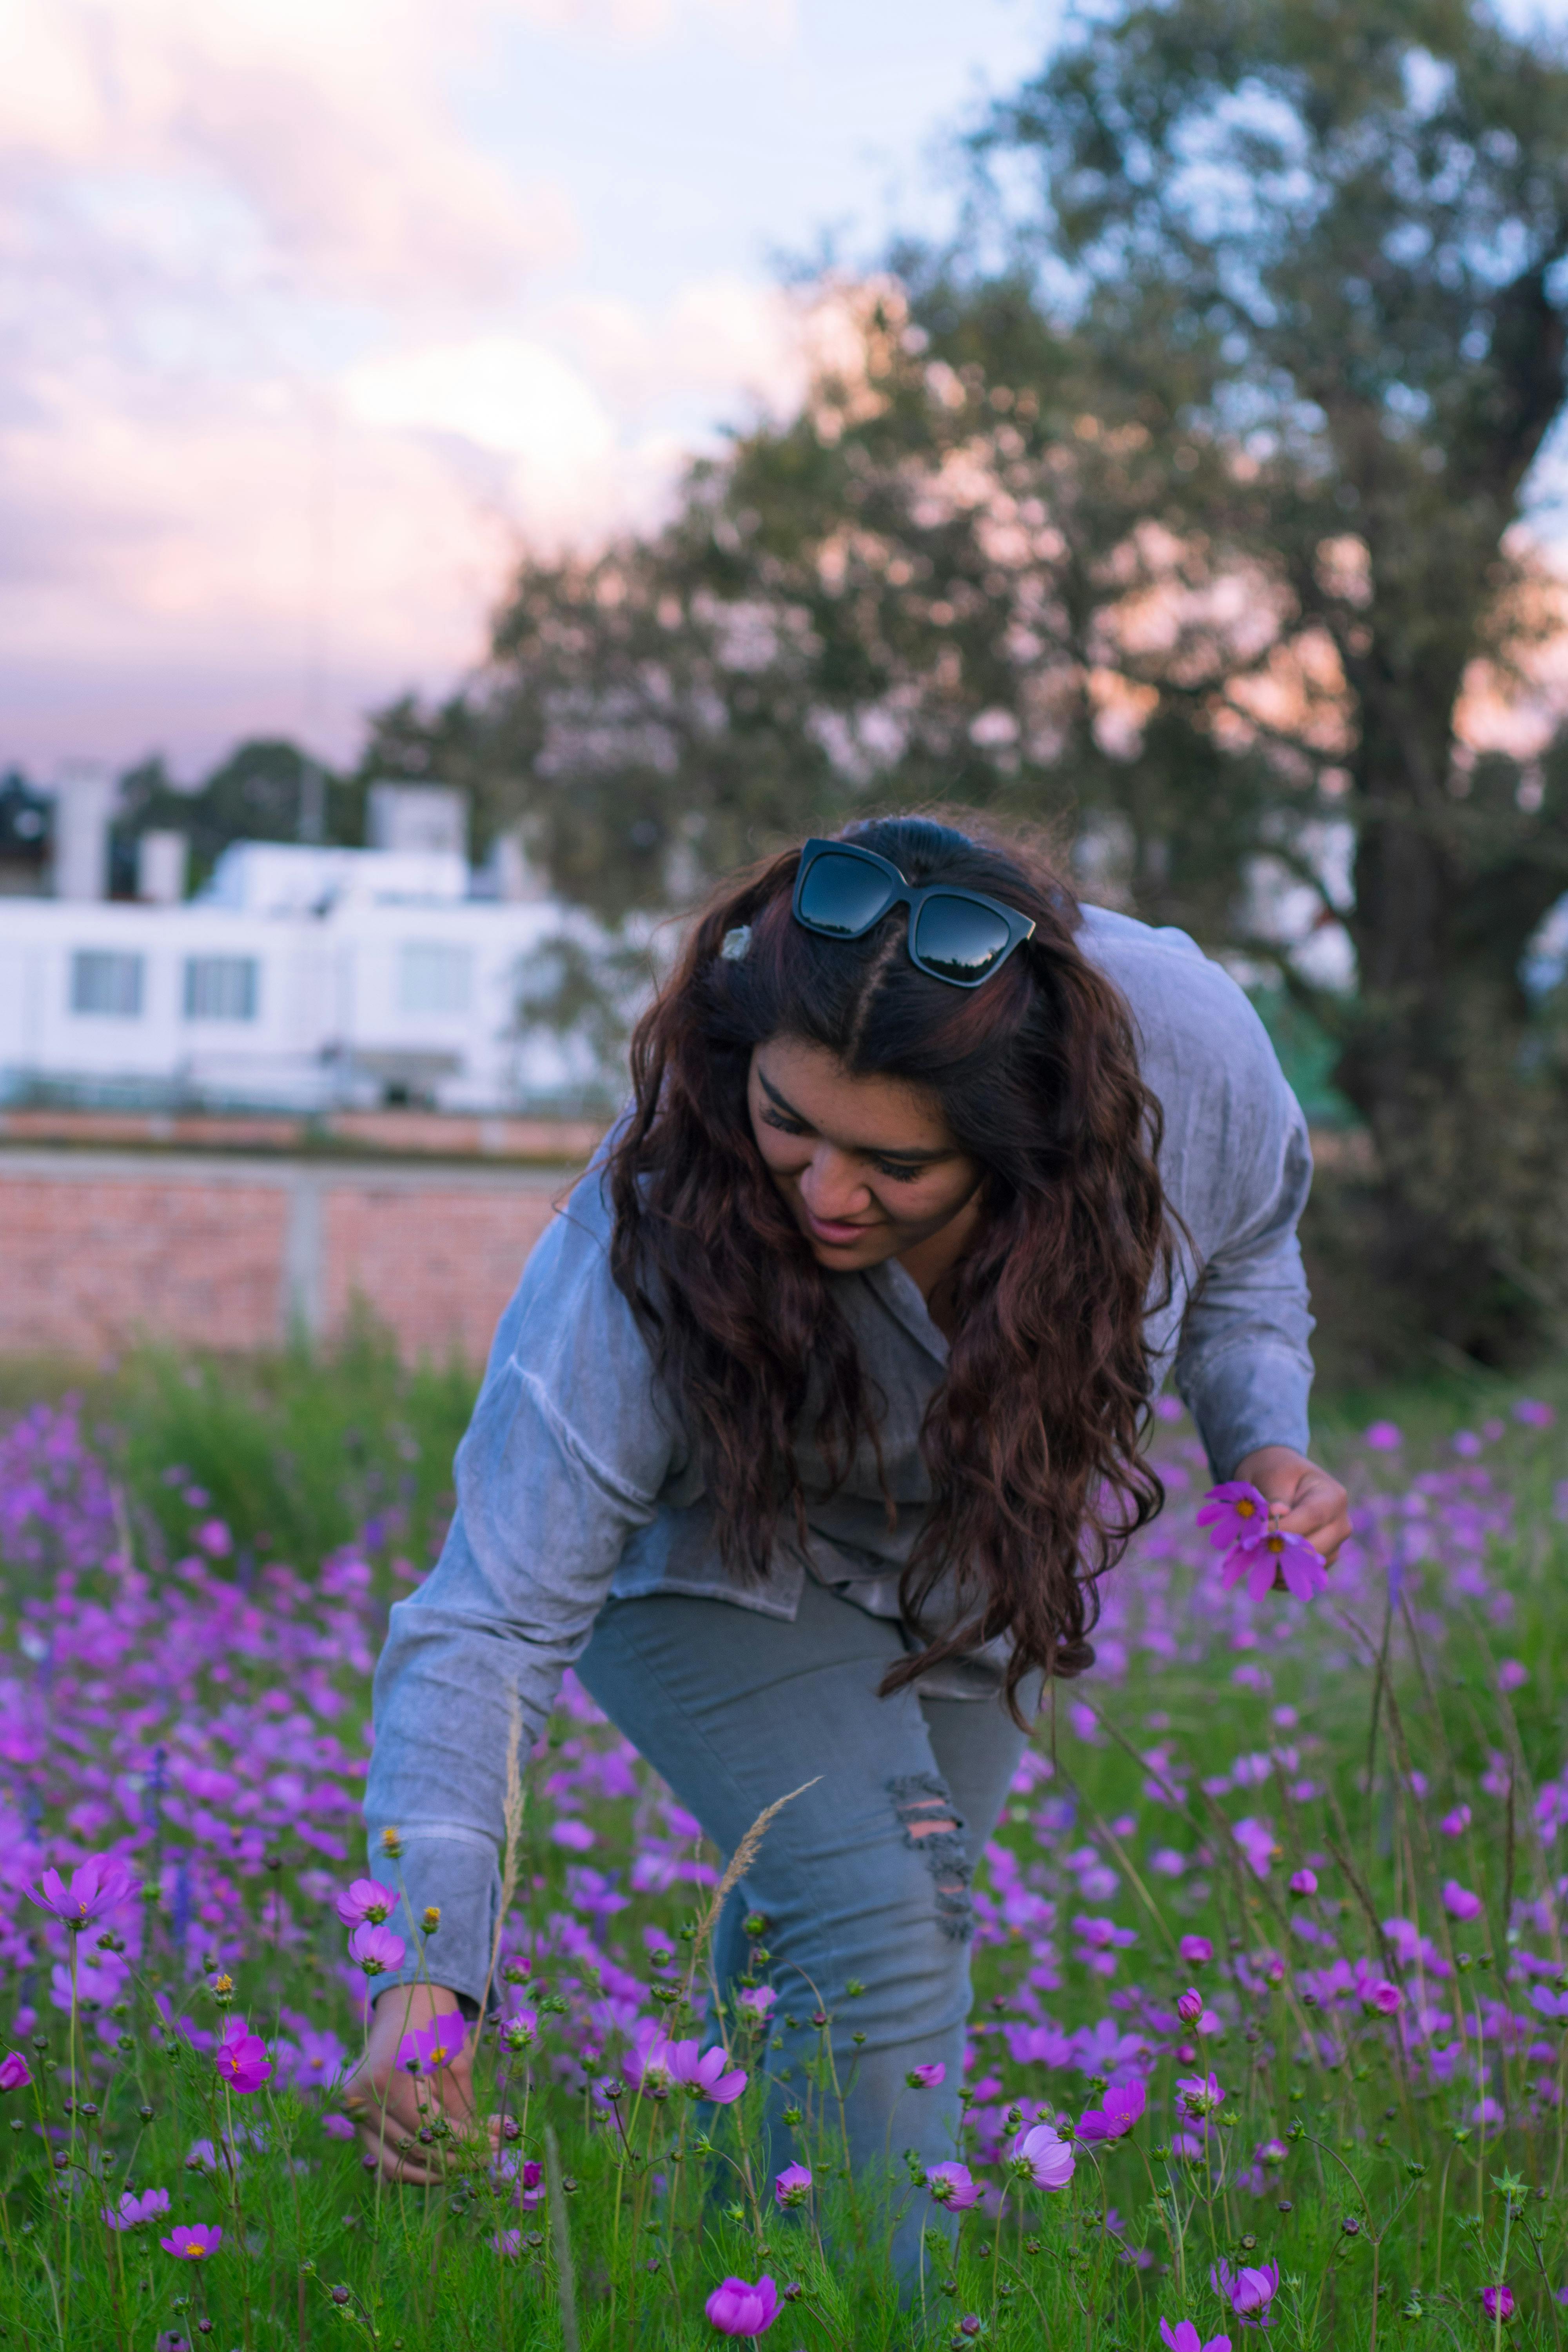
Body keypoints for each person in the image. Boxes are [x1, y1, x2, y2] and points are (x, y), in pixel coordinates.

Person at [347, 814, 1350, 2253]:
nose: (821, 1193)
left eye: (892, 1164)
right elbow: (486, 1620)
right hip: (719, 1552)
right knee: (890, 1924)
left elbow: (1242, 1247)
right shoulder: (647, 1237)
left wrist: (1262, 1438)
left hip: (972, 1561)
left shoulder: (1181, 1053)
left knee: (812, 1969)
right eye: (787, 1124)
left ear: (1027, 1144)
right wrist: (428, 1979)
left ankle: (715, 2295)